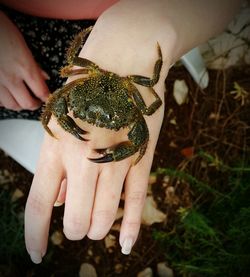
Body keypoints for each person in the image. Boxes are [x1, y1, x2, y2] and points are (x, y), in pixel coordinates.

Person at [0, 0, 242, 264]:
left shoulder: (106, 87)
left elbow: (145, 118)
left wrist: (154, 23)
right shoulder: (77, 84)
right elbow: (60, 97)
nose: (96, 126)